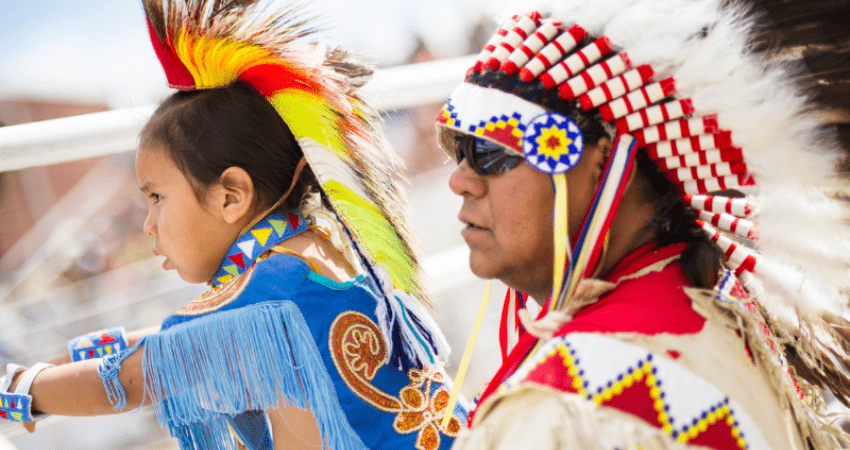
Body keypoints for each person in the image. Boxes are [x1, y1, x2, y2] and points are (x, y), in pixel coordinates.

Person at [0, 1, 467, 449]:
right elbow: (180, 342)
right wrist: (90, 352)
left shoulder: (269, 289)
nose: (148, 225)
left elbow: (137, 377)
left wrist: (20, 389)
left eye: (158, 198)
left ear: (231, 196)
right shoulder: (317, 250)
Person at [434, 0, 850, 448]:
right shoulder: (724, 303)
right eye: (459, 151)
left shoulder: (563, 409)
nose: (460, 180)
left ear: (605, 162)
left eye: (490, 152)